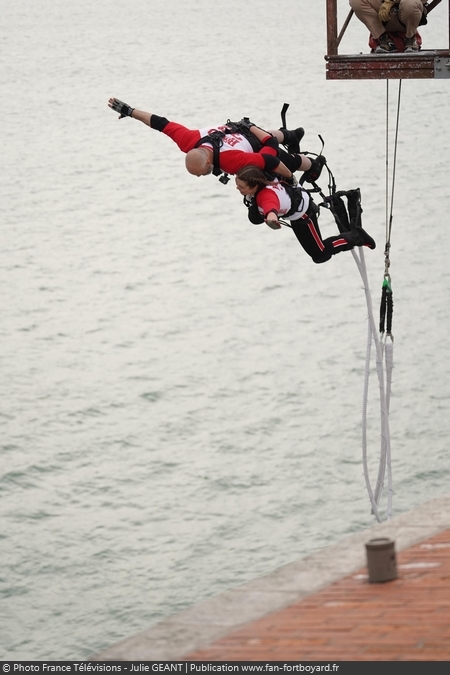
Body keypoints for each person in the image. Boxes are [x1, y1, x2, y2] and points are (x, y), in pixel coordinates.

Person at [107, 98, 325, 184]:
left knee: (286, 160)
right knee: (257, 133)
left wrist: (291, 179)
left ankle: (312, 164)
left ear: (209, 164)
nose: (202, 176)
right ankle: (291, 134)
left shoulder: (231, 162)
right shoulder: (188, 141)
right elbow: (160, 123)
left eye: (201, 173)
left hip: (255, 143)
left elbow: (270, 161)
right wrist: (130, 111)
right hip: (242, 128)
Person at [235, 165, 376, 264]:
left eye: (241, 187)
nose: (237, 188)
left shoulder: (265, 197)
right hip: (295, 208)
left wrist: (272, 218)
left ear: (254, 186)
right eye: (237, 185)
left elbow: (270, 207)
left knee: (320, 254)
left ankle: (355, 237)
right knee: (317, 255)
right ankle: (350, 238)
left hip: (303, 215)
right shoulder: (262, 177)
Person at [349, 0, 429, 53]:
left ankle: (410, 40)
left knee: (411, 3)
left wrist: (391, 1)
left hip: (405, 16)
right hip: (382, 16)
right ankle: (383, 39)